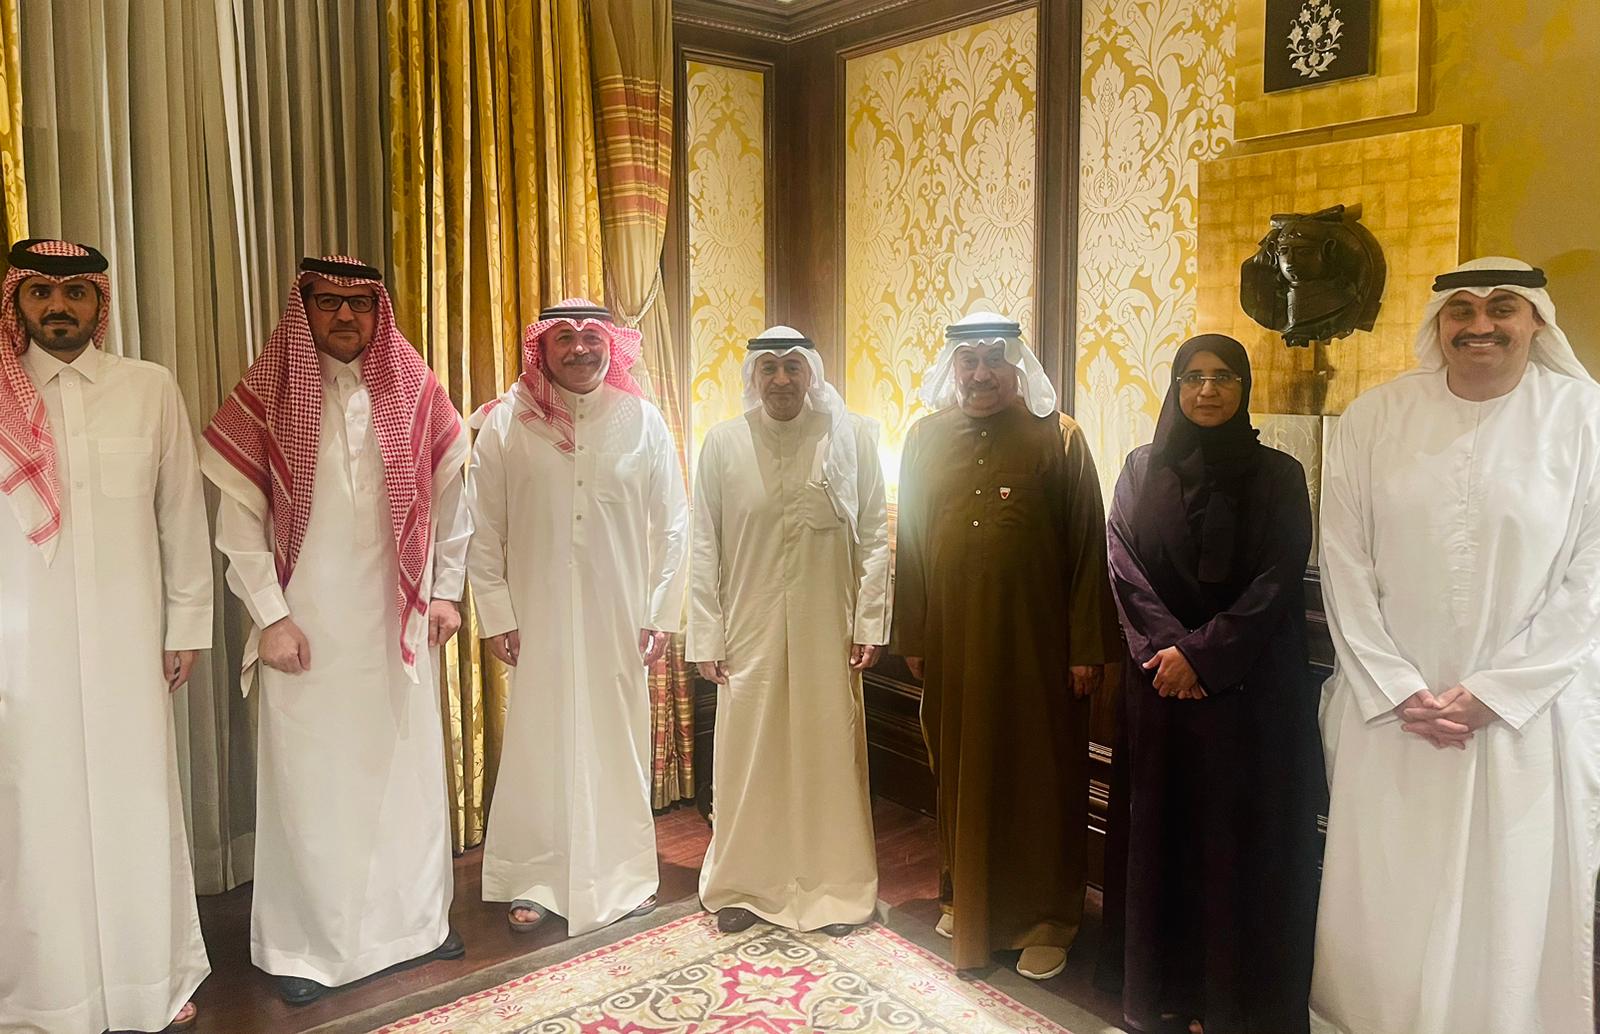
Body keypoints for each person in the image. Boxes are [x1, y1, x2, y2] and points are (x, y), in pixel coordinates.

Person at [1310, 258, 1600, 1034]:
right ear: (1437, 325)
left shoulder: (1585, 419)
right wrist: (1399, 687)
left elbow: (1593, 577)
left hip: (1526, 723)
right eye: (1461, 310)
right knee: (1389, 900)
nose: (1481, 325)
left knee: (1510, 904)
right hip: (1395, 719)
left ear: (1535, 320)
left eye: (1502, 308)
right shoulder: (1373, 419)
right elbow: (1344, 561)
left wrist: (1497, 693)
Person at [203, 255, 469, 1005]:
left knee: (401, 775)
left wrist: (445, 593)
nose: (344, 316)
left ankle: (415, 928)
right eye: (327, 302)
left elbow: (456, 498)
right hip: (306, 631)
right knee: (312, 783)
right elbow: (239, 524)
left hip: (396, 628)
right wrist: (271, 617)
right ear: (306, 308)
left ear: (378, 311)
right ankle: (304, 948)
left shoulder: (415, 389)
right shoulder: (268, 394)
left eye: (359, 304)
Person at [0, 238, 212, 1033]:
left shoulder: (147, 387)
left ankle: (150, 978)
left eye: (76, 293)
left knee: (137, 801)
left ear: (100, 303)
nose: (58, 307)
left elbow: (180, 513)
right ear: (18, 301)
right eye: (41, 293)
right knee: (33, 809)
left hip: (130, 641)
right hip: (23, 647)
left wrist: (186, 625)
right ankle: (43, 995)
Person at [1101, 334, 1321, 1034]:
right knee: (1165, 838)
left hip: (1247, 693)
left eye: (1223, 376)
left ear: (1243, 388)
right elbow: (1123, 567)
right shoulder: (1140, 469)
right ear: (1174, 386)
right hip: (1162, 690)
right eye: (1192, 376)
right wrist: (1171, 655)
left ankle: (1229, 1001)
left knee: (1236, 845)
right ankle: (1163, 989)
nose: (1207, 389)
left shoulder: (1280, 475)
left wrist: (1203, 656)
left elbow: (1278, 578)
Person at [891, 310, 1119, 979]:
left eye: (994, 359)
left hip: (1039, 651)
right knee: (960, 769)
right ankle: (965, 897)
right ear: (953, 367)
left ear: (1017, 365)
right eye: (969, 361)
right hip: (954, 645)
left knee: (1040, 777)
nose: (981, 373)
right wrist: (914, 634)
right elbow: (910, 545)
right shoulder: (923, 439)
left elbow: (1088, 549)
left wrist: (1085, 649)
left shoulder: (1061, 438)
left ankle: (1046, 919)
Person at [467, 299, 689, 937]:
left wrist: (660, 612)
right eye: (563, 337)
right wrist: (497, 614)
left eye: (591, 336)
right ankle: (533, 876)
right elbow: (482, 528)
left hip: (620, 616)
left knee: (616, 741)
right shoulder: (508, 422)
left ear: (611, 345)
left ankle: (623, 874)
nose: (579, 348)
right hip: (536, 614)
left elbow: (673, 525)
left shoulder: (642, 421)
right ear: (542, 347)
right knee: (540, 741)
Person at [687, 325, 891, 936]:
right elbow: (703, 545)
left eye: (792, 367)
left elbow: (874, 537)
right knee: (750, 756)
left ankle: (833, 887)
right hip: (746, 630)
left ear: (811, 373)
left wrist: (870, 623)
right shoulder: (723, 443)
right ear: (753, 376)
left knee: (829, 752)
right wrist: (706, 636)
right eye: (769, 368)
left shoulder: (851, 438)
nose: (781, 380)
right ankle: (744, 885)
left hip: (829, 628)